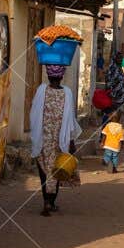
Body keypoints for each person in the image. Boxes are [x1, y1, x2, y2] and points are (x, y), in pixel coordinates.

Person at [30, 63, 80, 215]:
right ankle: (50, 202)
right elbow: (70, 118)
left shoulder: (41, 90)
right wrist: (71, 141)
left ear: (48, 75)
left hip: (43, 140)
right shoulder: (67, 93)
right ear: (61, 76)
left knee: (44, 171)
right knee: (57, 170)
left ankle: (46, 201)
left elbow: (33, 113)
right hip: (60, 141)